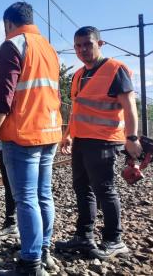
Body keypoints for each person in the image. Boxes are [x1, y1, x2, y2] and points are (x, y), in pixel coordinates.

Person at [0, 2, 62, 275]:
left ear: (8, 23)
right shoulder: (49, 49)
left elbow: (2, 100)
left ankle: (30, 264)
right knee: (43, 195)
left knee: (26, 198)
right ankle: (44, 252)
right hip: (49, 131)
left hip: (23, 133)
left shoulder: (12, 46)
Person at [55, 26, 142, 260]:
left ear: (100, 44)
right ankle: (84, 236)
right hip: (82, 140)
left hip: (104, 140)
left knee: (104, 189)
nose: (83, 49)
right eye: (78, 46)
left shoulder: (115, 69)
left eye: (88, 44)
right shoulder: (78, 75)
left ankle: (115, 240)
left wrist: (132, 138)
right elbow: (77, 108)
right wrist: (69, 134)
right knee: (82, 188)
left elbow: (129, 107)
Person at [0, 140, 19, 240]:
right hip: (42, 140)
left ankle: (12, 225)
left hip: (12, 142)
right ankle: (40, 241)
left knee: (11, 186)